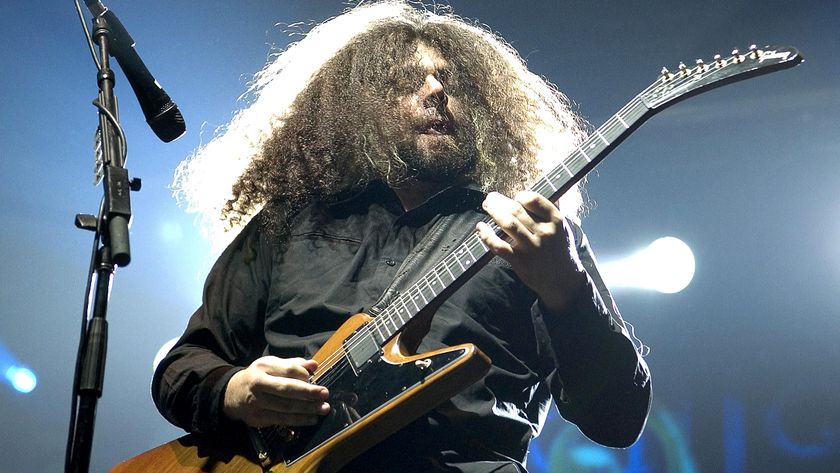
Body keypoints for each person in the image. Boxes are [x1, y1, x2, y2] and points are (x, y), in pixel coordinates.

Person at [152, 2, 651, 472]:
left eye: (452, 82)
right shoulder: (293, 222)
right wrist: (235, 391)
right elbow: (185, 362)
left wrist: (566, 287)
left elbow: (617, 419)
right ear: (359, 108)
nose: (436, 92)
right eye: (406, 81)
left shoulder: (532, 237)